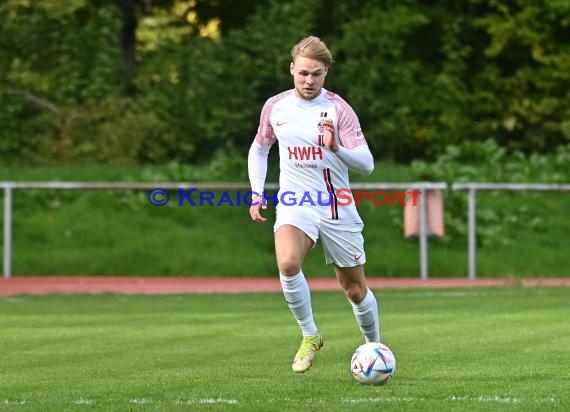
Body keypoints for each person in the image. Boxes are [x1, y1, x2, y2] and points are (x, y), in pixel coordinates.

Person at [247, 36, 380, 373]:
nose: (308, 81)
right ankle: (310, 335)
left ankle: (374, 348)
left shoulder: (338, 109)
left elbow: (366, 164)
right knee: (288, 262)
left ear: (326, 73)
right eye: (303, 73)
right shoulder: (276, 107)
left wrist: (337, 149)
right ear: (292, 68)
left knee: (354, 289)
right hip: (296, 202)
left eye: (316, 74)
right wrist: (257, 191)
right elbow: (260, 148)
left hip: (337, 206)